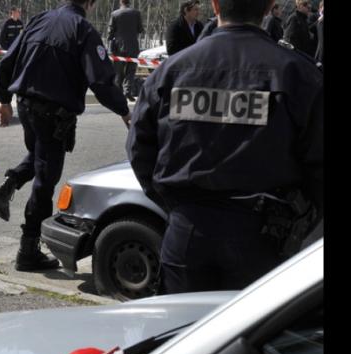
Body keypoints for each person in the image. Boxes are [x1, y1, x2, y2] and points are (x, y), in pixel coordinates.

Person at [126, 0, 323, 294]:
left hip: (187, 233)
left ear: (215, 6)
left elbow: (140, 149)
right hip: (263, 238)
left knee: (184, 334)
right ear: (269, 7)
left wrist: (175, 205)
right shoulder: (297, 74)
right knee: (253, 335)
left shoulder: (172, 70)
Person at [0, 0, 131, 271]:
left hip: (26, 106)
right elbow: (100, 80)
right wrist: (124, 110)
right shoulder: (83, 30)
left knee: (39, 155)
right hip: (52, 113)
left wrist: (5, 100)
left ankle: (8, 186)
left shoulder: (39, 20)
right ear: (90, 3)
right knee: (45, 179)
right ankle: (28, 249)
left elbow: (6, 62)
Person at [107, 0, 143, 101]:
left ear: (120, 2)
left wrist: (110, 41)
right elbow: (140, 29)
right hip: (133, 46)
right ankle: (127, 91)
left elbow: (110, 31)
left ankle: (118, 93)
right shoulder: (136, 13)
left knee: (118, 71)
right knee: (131, 70)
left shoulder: (114, 14)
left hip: (118, 47)